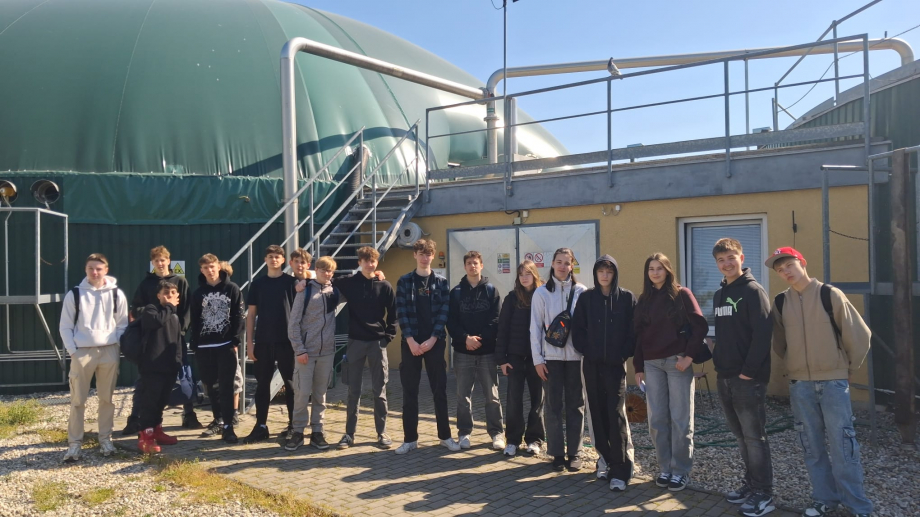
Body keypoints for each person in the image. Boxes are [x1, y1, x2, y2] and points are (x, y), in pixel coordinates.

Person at [767, 247, 873, 517]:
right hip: (800, 385)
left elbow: (858, 335)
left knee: (843, 447)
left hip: (833, 383)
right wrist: (795, 365)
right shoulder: (781, 302)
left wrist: (847, 367)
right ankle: (824, 499)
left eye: (789, 265)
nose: (785, 272)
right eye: (780, 269)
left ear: (802, 263)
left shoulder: (830, 294)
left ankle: (857, 506)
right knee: (811, 446)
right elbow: (779, 343)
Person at [633, 253, 708, 492]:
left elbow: (700, 326)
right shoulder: (644, 300)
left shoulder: (681, 294)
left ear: (667, 270)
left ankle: (680, 471)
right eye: (651, 269)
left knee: (680, 419)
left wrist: (689, 356)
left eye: (659, 268)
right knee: (657, 420)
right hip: (652, 364)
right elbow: (639, 335)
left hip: (677, 363)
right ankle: (665, 468)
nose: (655, 272)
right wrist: (638, 367)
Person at [711, 238, 775, 516]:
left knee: (754, 437)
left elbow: (762, 335)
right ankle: (750, 485)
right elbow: (724, 335)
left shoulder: (753, 291)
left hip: (748, 379)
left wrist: (748, 372)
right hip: (724, 376)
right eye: (721, 260)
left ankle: (764, 493)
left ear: (741, 258)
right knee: (741, 436)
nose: (726, 264)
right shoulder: (719, 295)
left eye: (731, 258)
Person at [572, 255, 637, 492]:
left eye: (609, 271)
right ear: (595, 273)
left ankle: (621, 468)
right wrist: (588, 351)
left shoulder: (627, 298)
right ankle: (605, 460)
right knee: (597, 413)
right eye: (601, 271)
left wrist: (623, 354)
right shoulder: (587, 298)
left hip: (615, 367)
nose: (605, 275)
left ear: (615, 274)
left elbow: (633, 331)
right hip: (592, 365)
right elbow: (577, 329)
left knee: (615, 413)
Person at [59, 253, 129, 462]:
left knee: (107, 399)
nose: (95, 272)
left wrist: (115, 346)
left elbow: (122, 324)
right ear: (85, 270)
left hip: (109, 351)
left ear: (106, 270)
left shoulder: (116, 294)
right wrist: (73, 351)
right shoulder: (75, 294)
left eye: (99, 268)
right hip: (82, 352)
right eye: (91, 268)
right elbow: (65, 326)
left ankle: (105, 440)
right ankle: (74, 445)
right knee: (77, 400)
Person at [123, 245, 198, 436]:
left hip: (174, 338)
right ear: (152, 263)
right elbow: (136, 308)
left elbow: (188, 309)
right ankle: (135, 419)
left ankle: (189, 414)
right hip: (153, 340)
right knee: (146, 381)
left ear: (168, 261)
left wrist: (180, 329)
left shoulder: (180, 281)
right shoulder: (146, 284)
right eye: (156, 260)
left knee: (183, 374)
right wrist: (154, 314)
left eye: (163, 260)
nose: (160, 263)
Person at [394, 239, 457, 454]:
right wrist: (410, 340)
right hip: (410, 343)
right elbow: (401, 311)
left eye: (428, 254)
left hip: (435, 343)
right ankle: (410, 439)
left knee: (440, 391)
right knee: (409, 392)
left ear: (432, 256)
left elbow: (444, 312)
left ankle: (445, 437)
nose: (424, 257)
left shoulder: (441, 282)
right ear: (415, 255)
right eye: (420, 253)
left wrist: (433, 339)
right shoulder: (404, 281)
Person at [333, 246, 397, 450]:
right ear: (359, 262)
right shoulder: (349, 282)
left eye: (373, 261)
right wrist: (305, 277)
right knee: (353, 391)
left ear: (377, 262)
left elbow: (394, 313)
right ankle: (349, 434)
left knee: (380, 391)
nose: (370, 264)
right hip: (355, 342)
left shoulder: (384, 285)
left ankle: (382, 432)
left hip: (378, 343)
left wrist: (388, 336)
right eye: (366, 260)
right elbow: (327, 278)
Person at [530, 248, 588, 472]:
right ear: (552, 264)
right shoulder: (541, 293)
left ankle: (575, 453)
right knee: (553, 406)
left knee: (576, 405)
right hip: (550, 359)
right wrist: (538, 360)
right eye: (559, 262)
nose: (563, 266)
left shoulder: (581, 291)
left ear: (572, 266)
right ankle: (556, 453)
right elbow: (535, 328)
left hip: (576, 357)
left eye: (567, 263)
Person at [447, 250, 504, 451]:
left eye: (475, 263)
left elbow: (496, 319)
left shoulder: (491, 290)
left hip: (487, 352)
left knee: (492, 396)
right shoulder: (455, 292)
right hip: (463, 353)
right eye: (469, 263)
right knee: (463, 396)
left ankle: (496, 433)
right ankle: (464, 433)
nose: (472, 266)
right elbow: (451, 321)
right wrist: (465, 339)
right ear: (465, 267)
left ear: (481, 265)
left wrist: (479, 339)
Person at [244, 245, 297, 444]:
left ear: (283, 260)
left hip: (287, 342)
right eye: (270, 256)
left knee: (291, 385)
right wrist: (250, 343)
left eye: (277, 256)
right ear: (265, 260)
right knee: (262, 385)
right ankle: (261, 426)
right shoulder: (257, 285)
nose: (274, 259)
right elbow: (251, 315)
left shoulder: (292, 283)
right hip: (263, 342)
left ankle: (294, 426)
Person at [285, 256, 339, 451]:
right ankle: (298, 431)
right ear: (317, 270)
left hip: (327, 353)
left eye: (330, 271)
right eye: (323, 270)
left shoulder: (335, 291)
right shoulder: (306, 290)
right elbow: (293, 323)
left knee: (320, 394)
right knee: (301, 393)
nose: (327, 274)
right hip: (306, 353)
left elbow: (356, 281)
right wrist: (299, 349)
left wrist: (377, 274)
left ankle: (317, 431)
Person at [189, 253, 244, 444]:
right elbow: (194, 319)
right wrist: (195, 343)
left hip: (225, 345)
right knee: (211, 387)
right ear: (201, 270)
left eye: (212, 266)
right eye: (205, 268)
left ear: (218, 267)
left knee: (227, 387)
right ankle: (218, 419)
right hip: (205, 347)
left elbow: (239, 315)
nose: (210, 270)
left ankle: (228, 427)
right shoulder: (198, 293)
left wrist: (235, 340)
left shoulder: (232, 289)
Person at [496, 260, 545, 458]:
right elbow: (503, 329)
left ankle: (534, 439)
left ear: (535, 275)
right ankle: (513, 440)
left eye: (528, 274)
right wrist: (501, 359)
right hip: (515, 358)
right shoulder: (511, 298)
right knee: (514, 400)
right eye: (521, 274)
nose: (524, 278)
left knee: (537, 400)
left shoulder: (543, 295)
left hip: (537, 358)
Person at [136, 280, 183, 454]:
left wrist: (178, 361)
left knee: (162, 401)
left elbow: (178, 341)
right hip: (152, 367)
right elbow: (156, 322)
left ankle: (157, 430)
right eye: (166, 293)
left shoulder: (175, 316)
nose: (169, 296)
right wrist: (170, 306)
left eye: (173, 293)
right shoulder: (151, 310)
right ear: (158, 296)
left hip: (169, 366)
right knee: (150, 401)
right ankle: (145, 436)